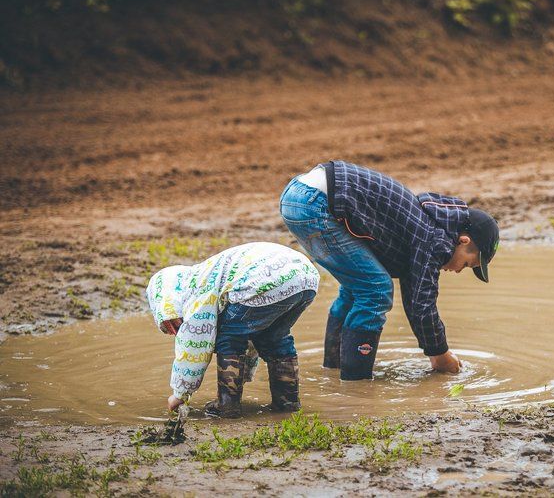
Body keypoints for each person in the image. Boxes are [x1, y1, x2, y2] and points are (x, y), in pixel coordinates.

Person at [279, 161, 499, 381]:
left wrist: (435, 349)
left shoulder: (429, 224)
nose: (459, 271)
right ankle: (356, 385)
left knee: (357, 288)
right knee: (376, 290)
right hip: (317, 203)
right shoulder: (435, 239)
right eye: (467, 264)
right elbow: (422, 305)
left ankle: (334, 371)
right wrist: (440, 354)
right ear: (463, 241)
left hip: (299, 193)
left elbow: (415, 298)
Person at [145, 242, 319, 418]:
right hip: (306, 277)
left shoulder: (196, 291)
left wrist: (180, 394)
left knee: (228, 336)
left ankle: (227, 406)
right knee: (274, 337)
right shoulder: (207, 275)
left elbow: (193, 346)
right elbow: (250, 331)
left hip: (266, 280)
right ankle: (287, 403)